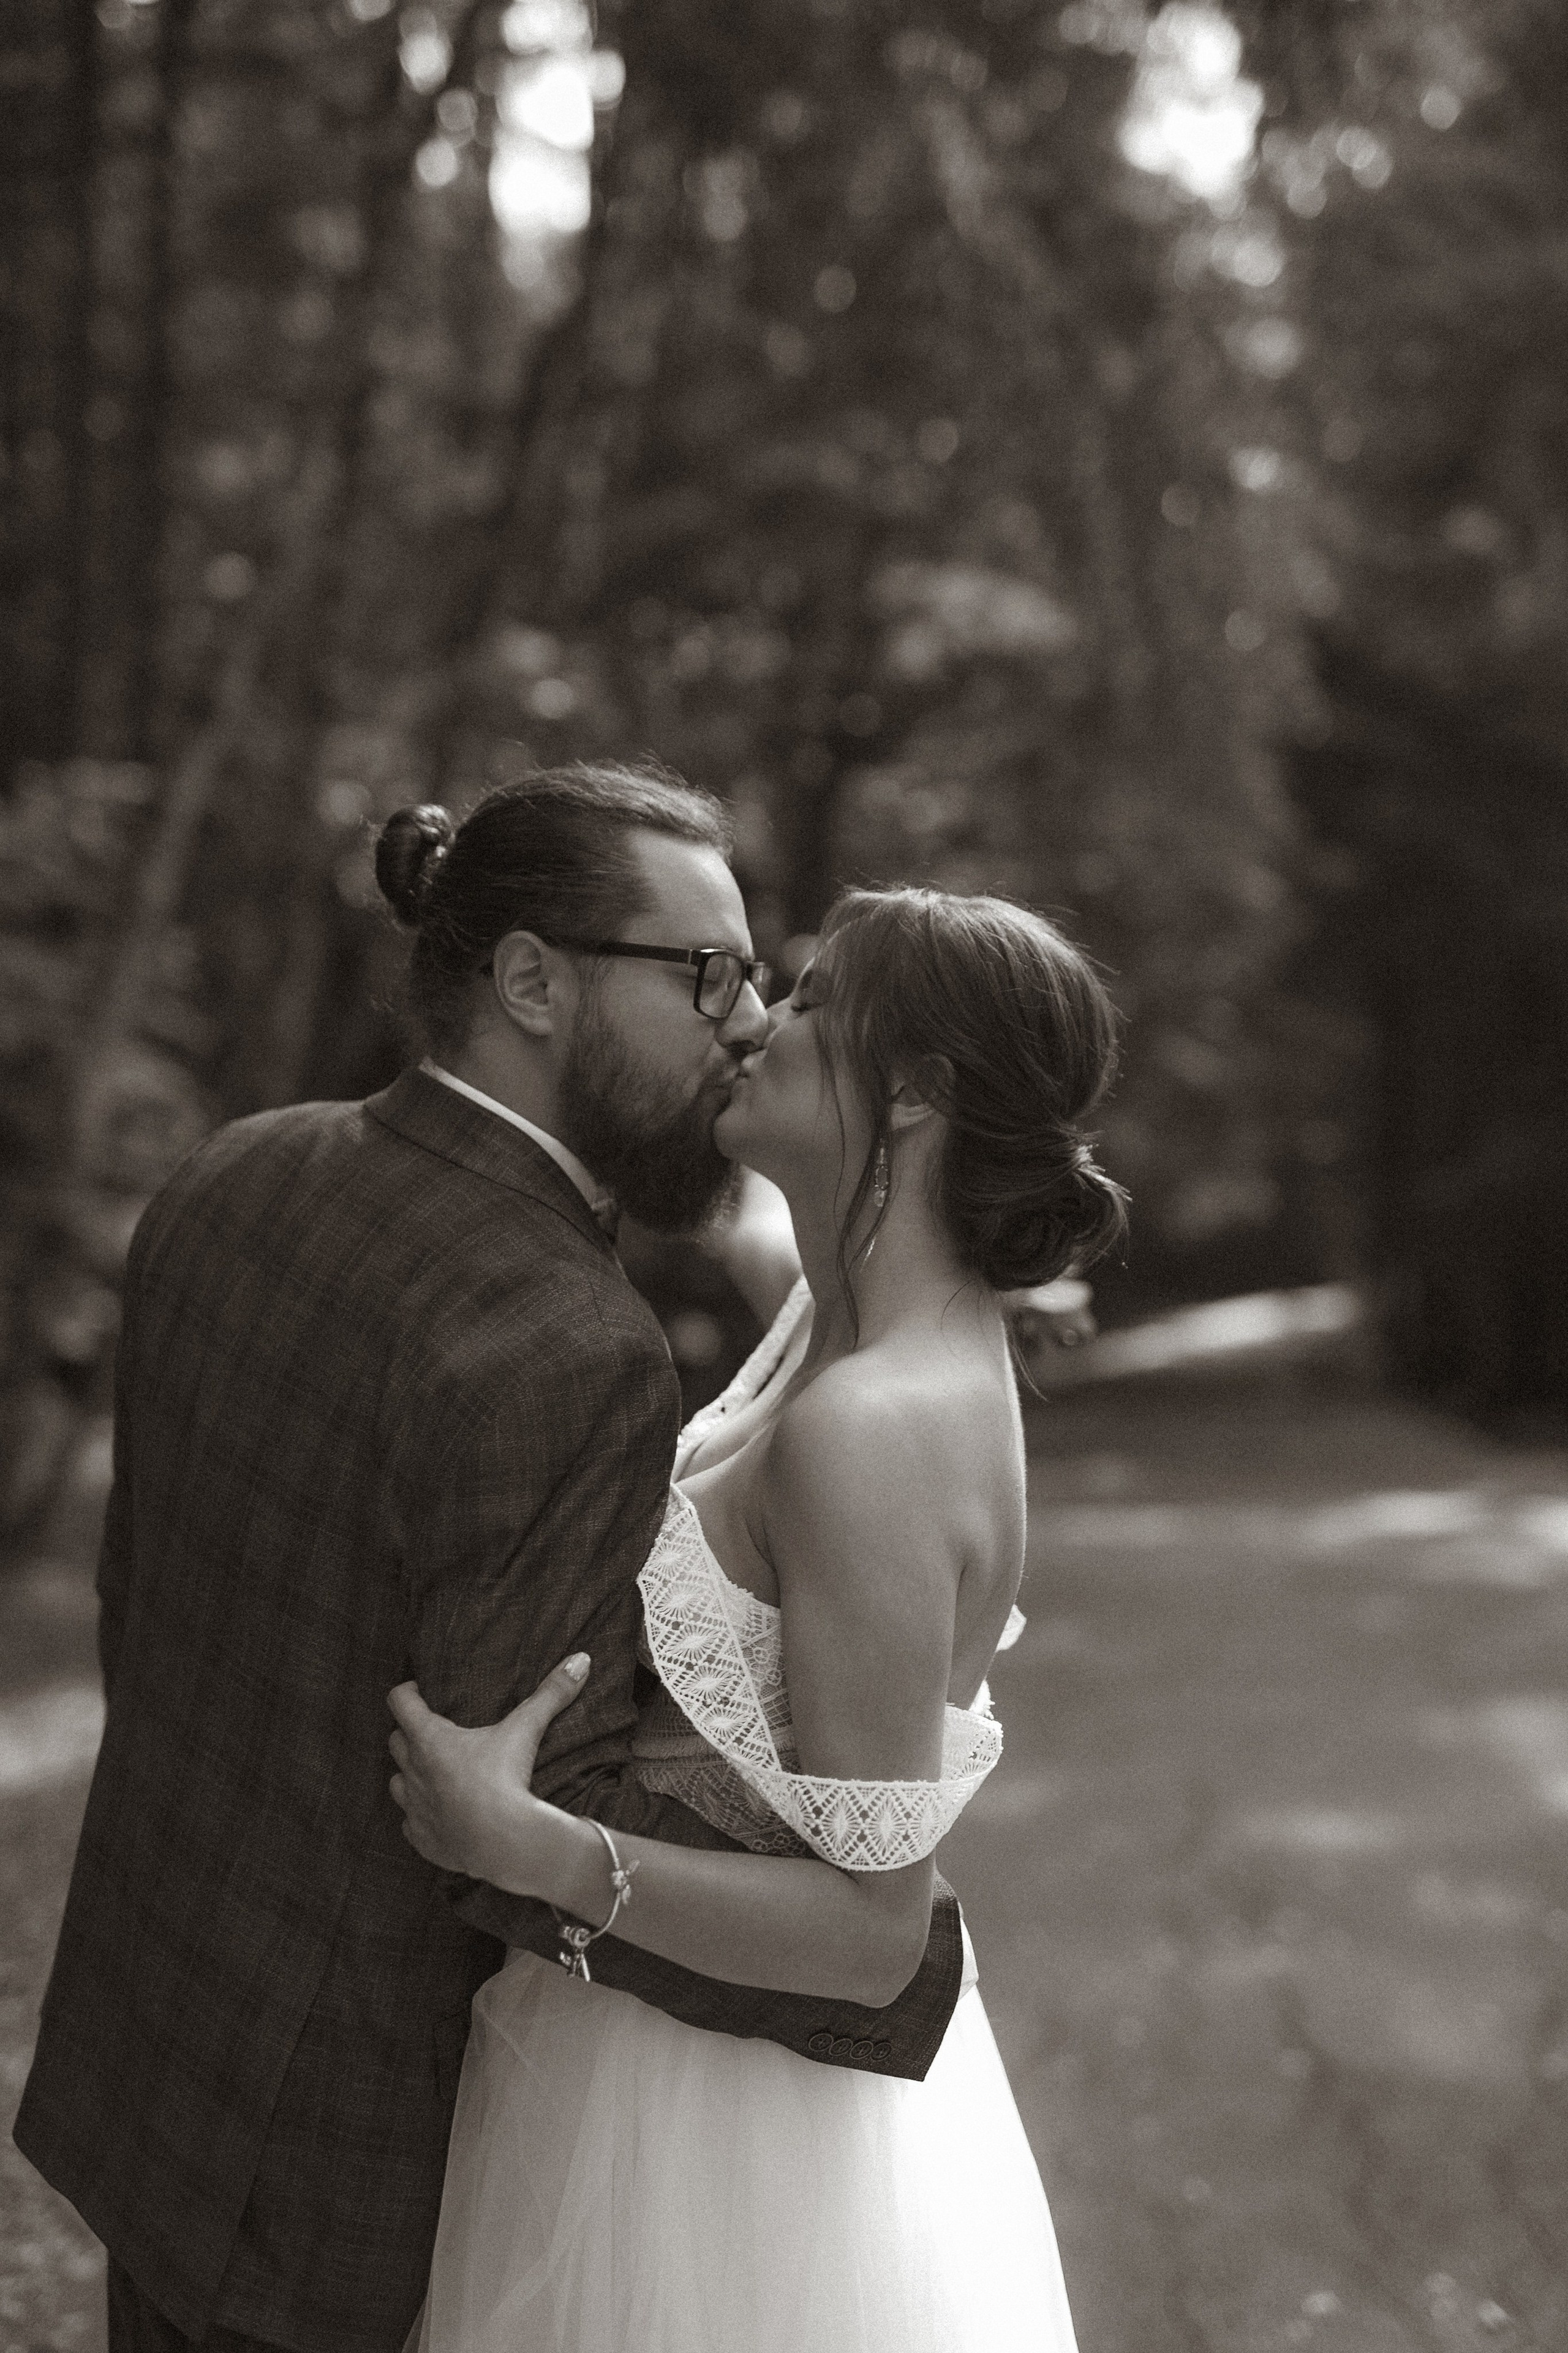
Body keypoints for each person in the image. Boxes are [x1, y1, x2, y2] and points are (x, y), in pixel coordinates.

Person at [14, 764, 970, 2353]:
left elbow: (148, 1609)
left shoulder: (233, 1171)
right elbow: (513, 1832)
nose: (744, 1019)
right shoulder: (561, 1340)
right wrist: (889, 1952)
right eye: (707, 974)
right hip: (338, 2164)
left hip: (156, 2056)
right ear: (531, 980)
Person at [388, 881, 1129, 2352]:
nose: (755, 1022)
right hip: (655, 2056)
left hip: (725, 2150)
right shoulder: (852, 1322)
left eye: (809, 999)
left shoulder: (871, 1428)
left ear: (914, 1090)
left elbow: (870, 1933)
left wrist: (530, 1846)